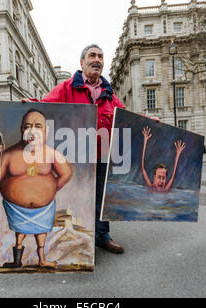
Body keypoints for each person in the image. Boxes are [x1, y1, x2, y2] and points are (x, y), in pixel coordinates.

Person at [23, 44, 136, 254]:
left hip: (103, 155)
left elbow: (127, 118)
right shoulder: (67, 87)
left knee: (103, 196)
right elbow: (45, 105)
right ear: (82, 63)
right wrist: (27, 105)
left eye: (100, 57)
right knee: (76, 195)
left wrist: (150, 122)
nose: (97, 60)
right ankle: (76, 237)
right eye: (92, 56)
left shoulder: (109, 94)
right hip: (76, 154)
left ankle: (102, 236)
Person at [0, 109, 73, 269]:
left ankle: (42, 260)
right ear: (22, 130)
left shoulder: (52, 153)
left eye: (37, 126)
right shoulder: (9, 154)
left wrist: (52, 189)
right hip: (16, 208)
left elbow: (66, 173)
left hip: (43, 209)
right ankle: (17, 261)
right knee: (20, 233)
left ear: (45, 130)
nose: (32, 130)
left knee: (41, 233)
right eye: (28, 126)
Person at [141, 126, 186, 192]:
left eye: (163, 178)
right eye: (159, 177)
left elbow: (172, 177)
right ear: (154, 178)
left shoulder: (165, 190)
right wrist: (145, 141)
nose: (161, 181)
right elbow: (143, 168)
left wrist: (178, 154)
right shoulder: (151, 188)